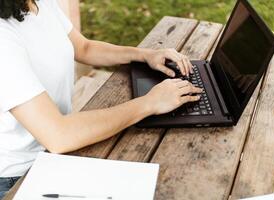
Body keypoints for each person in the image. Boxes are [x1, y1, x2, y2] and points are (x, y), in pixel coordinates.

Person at [0, 0, 202, 198]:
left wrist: (145, 55)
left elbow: (84, 48)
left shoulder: (39, 2)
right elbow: (58, 135)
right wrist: (150, 103)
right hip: (18, 177)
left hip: (59, 150)